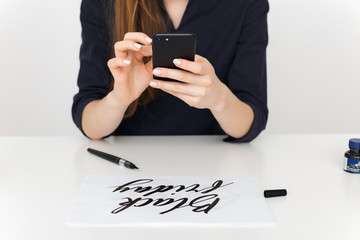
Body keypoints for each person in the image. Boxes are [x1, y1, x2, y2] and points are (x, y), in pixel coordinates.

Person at [72, 0, 269, 142]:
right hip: (134, 173)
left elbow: (251, 120)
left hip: (216, 169)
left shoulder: (247, 4)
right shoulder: (101, 4)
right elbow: (91, 125)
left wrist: (219, 99)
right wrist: (119, 99)